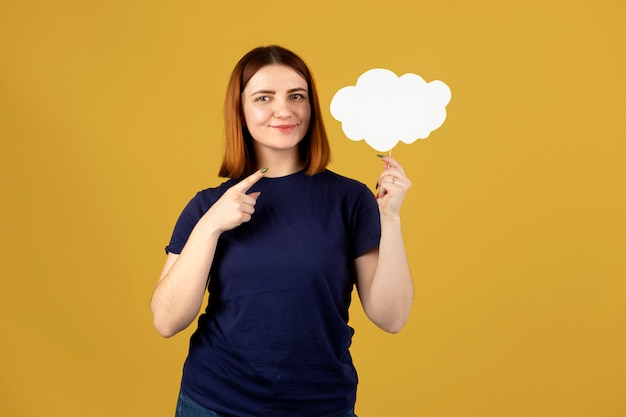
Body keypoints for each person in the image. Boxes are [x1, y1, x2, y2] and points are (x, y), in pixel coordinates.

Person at [150, 45, 414, 417]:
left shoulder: (350, 199)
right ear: (240, 112)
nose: (284, 110)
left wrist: (391, 217)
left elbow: (391, 317)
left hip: (322, 406)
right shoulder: (208, 205)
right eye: (263, 97)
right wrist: (210, 226)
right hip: (215, 404)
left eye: (296, 96)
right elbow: (166, 321)